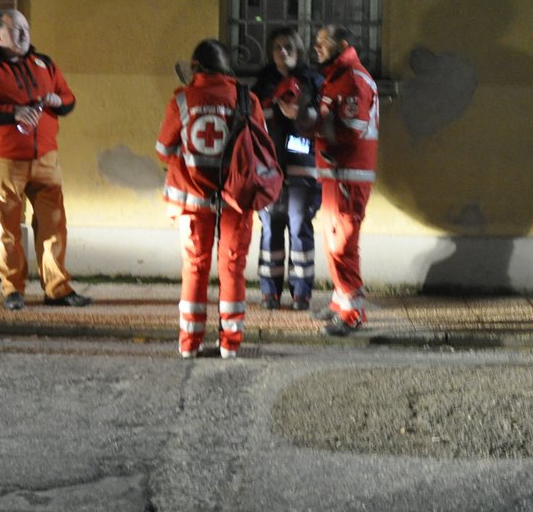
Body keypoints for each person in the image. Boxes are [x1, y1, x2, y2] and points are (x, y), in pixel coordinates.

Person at [0, 8, 92, 310]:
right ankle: (12, 288)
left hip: (45, 158)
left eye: (25, 28)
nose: (23, 34)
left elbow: (68, 99)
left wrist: (59, 101)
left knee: (54, 225)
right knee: (5, 228)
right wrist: (12, 113)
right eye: (15, 28)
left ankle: (57, 288)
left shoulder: (44, 64)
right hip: (0, 161)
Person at [155, 39, 268, 359]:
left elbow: (163, 150)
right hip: (236, 197)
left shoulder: (182, 99)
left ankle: (189, 343)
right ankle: (230, 344)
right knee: (232, 267)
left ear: (196, 68)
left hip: (191, 197)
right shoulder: (247, 99)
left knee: (195, 266)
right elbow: (259, 148)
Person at [311, 24, 379, 336]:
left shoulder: (352, 79)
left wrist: (313, 125)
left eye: (323, 41)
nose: (317, 47)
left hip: (347, 175)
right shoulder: (337, 78)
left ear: (343, 43)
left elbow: (351, 129)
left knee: (343, 245)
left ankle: (353, 313)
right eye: (316, 42)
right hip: (335, 173)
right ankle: (341, 301)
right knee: (332, 242)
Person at [250, 27, 323, 311]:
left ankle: (302, 293)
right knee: (270, 230)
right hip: (269, 172)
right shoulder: (261, 87)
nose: (283, 52)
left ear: (299, 52)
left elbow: (323, 123)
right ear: (271, 53)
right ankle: (270, 292)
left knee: (300, 229)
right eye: (278, 47)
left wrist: (301, 111)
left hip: (303, 170)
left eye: (289, 47)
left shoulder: (314, 83)